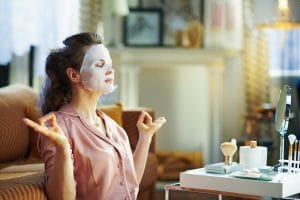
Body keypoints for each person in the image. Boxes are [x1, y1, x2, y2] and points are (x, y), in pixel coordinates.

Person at [23, 32, 166, 200]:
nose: (110, 70)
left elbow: (129, 185)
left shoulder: (113, 127)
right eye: (100, 64)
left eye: (110, 64)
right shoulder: (58, 127)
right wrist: (63, 148)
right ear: (74, 75)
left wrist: (145, 138)